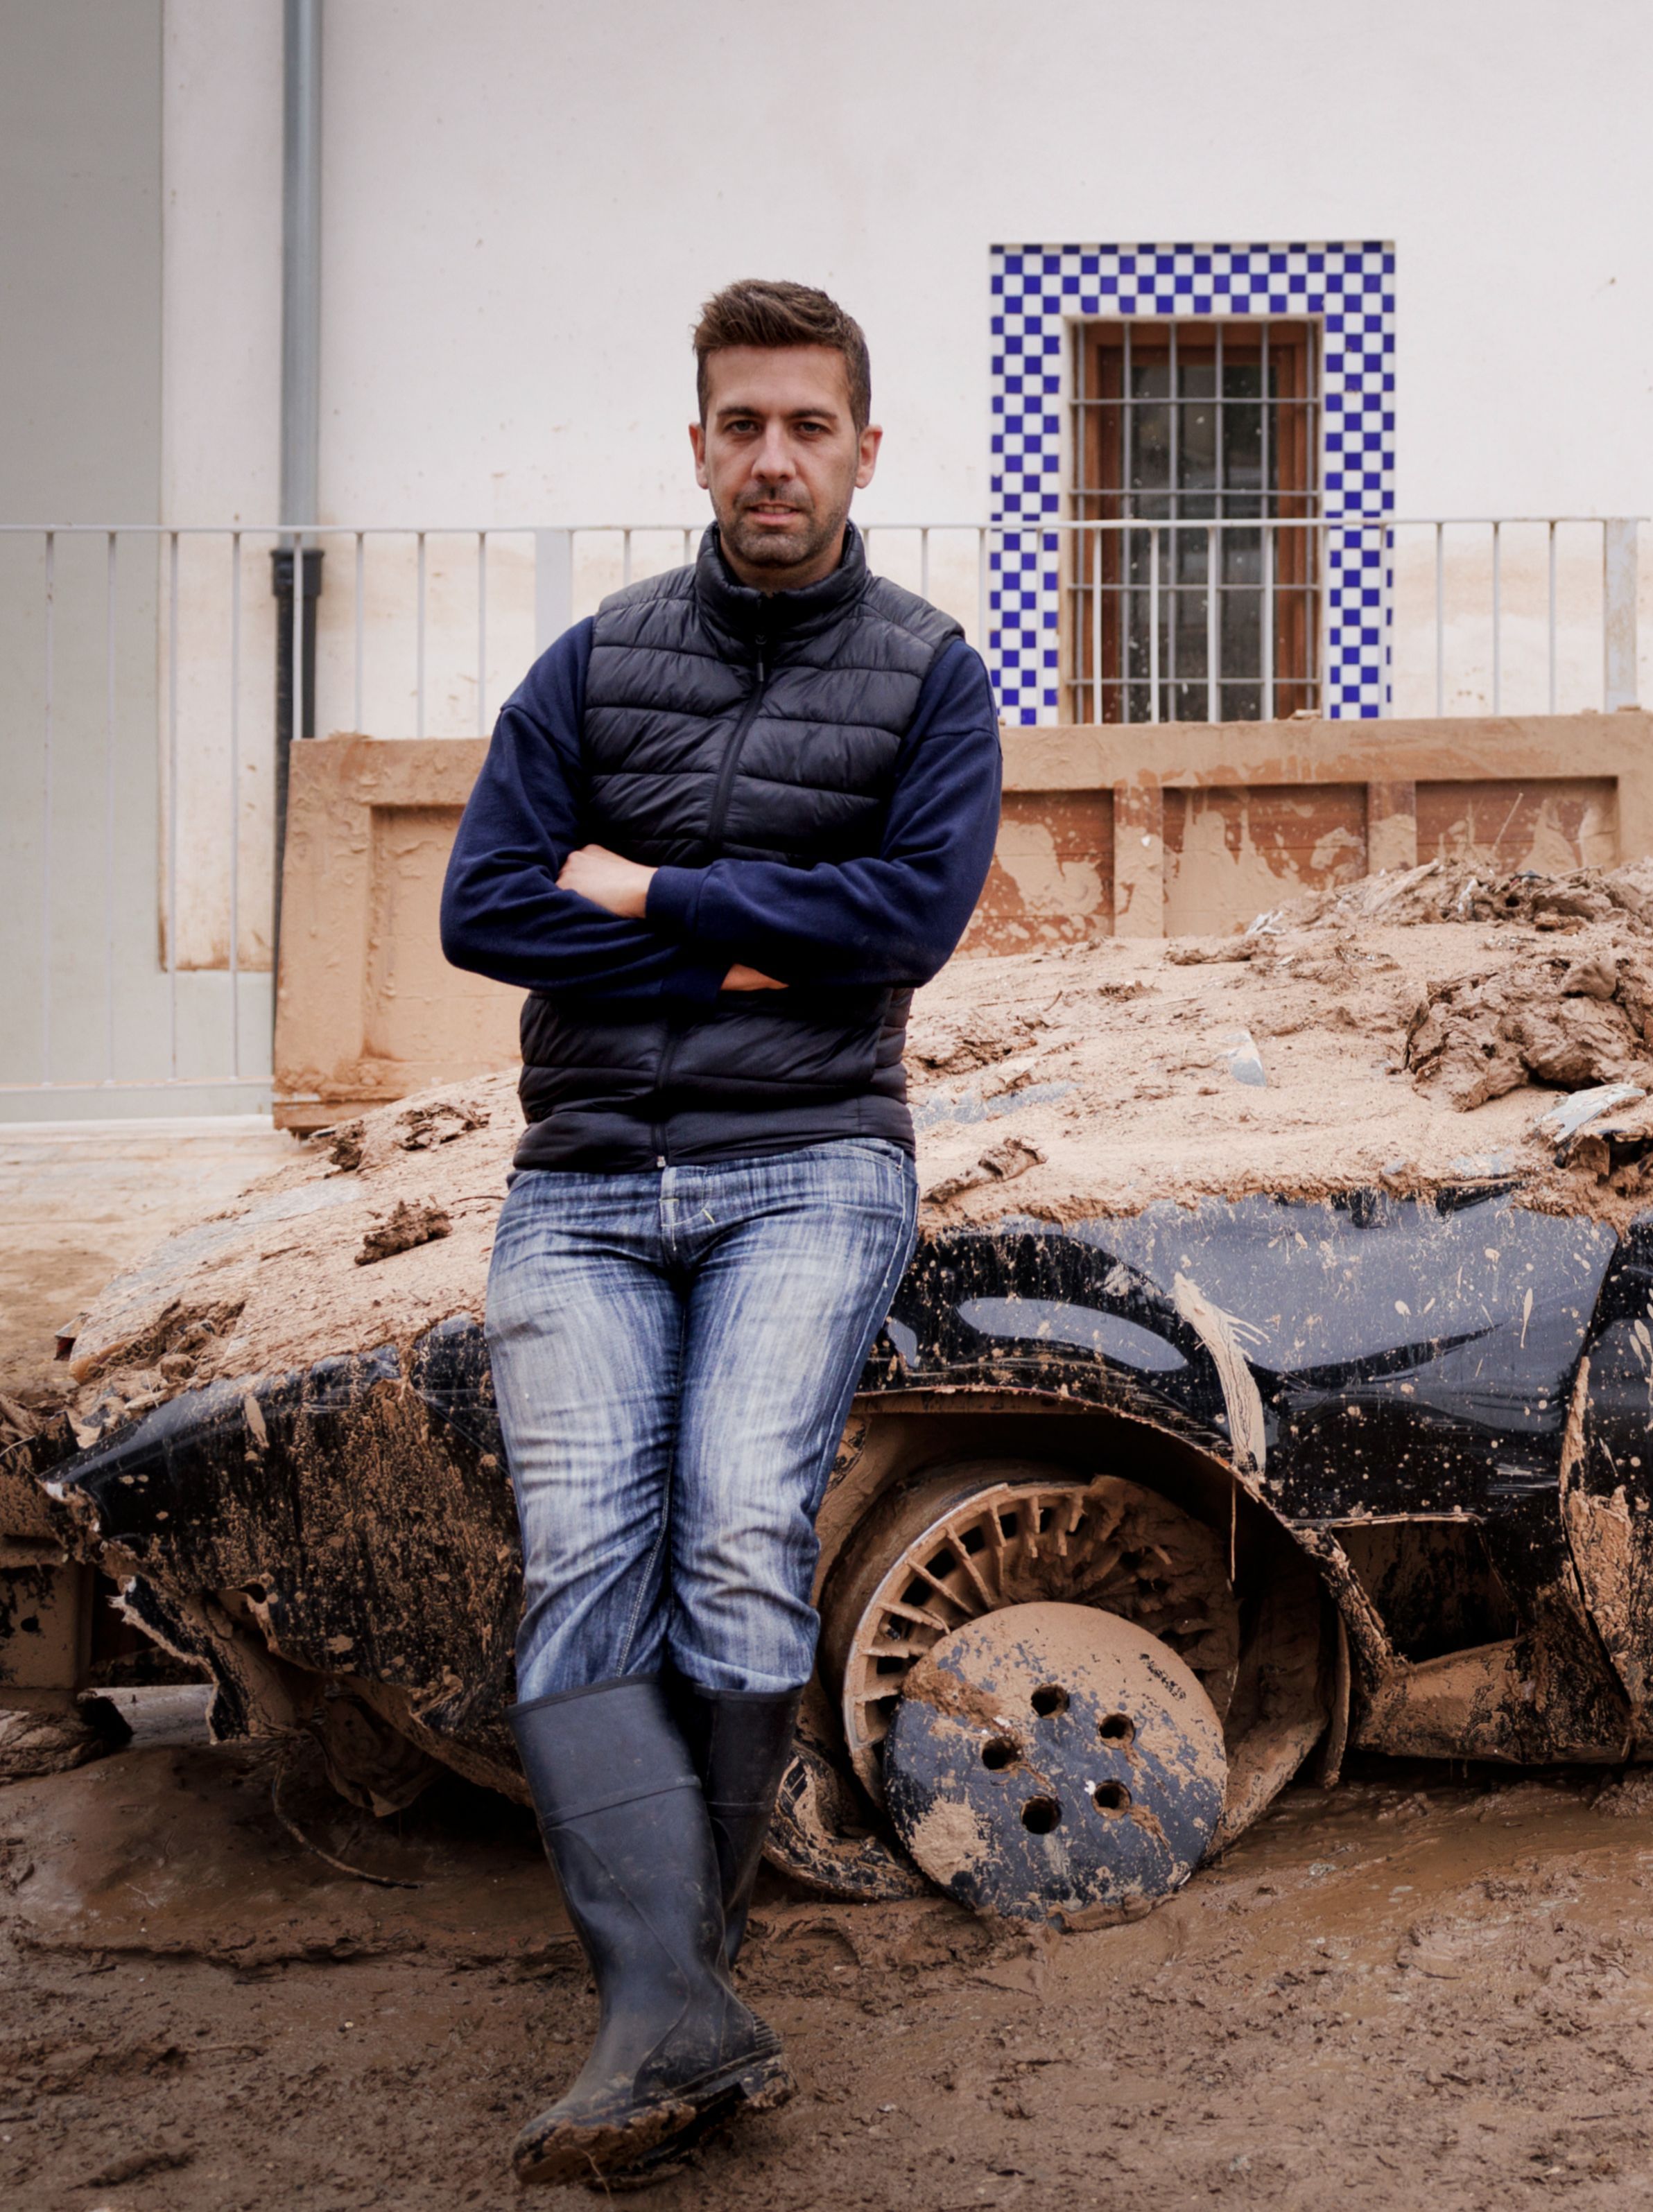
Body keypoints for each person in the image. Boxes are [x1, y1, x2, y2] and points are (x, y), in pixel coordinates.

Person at [437, 278, 1001, 2186]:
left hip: (809, 1163)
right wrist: (758, 941)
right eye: (742, 424)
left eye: (807, 426)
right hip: (586, 1181)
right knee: (584, 1563)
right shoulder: (593, 665)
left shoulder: (927, 675)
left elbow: (906, 921)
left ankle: (677, 1990)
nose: (775, 458)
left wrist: (652, 890)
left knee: (738, 1531)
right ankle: (667, 1998)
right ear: (698, 446)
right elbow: (487, 908)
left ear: (864, 450)